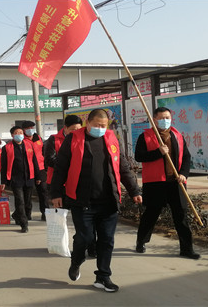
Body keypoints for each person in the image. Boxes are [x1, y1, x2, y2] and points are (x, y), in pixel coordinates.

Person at [50, 109, 142, 293]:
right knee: (85, 238)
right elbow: (60, 167)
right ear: (88, 123)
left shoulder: (112, 139)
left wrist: (134, 190)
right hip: (82, 200)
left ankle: (103, 276)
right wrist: (56, 193)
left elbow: (123, 166)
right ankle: (76, 261)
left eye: (104, 125)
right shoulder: (74, 139)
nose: (101, 129)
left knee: (107, 240)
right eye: (97, 125)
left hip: (108, 200)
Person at [135, 107, 200, 259]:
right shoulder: (145, 136)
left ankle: (187, 249)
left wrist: (184, 174)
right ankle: (141, 241)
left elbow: (186, 158)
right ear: (154, 119)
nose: (165, 120)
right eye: (162, 118)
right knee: (151, 214)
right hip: (155, 183)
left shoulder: (177, 135)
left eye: (168, 117)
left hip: (176, 182)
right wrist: (159, 152)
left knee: (181, 215)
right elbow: (139, 156)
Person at [44, 114, 100, 257]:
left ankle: (90, 246)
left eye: (78, 128)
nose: (76, 131)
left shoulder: (83, 139)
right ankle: (62, 245)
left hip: (77, 185)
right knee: (61, 216)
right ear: (65, 128)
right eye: (73, 129)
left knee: (84, 219)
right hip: (59, 183)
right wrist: (69, 163)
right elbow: (49, 159)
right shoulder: (53, 140)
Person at [1, 126, 41, 233]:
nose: (19, 134)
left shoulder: (29, 145)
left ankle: (16, 215)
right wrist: (3, 181)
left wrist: (38, 176)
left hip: (29, 177)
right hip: (15, 178)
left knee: (28, 202)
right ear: (12, 135)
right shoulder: (7, 148)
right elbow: (4, 165)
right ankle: (24, 224)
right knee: (20, 201)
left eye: (20, 132)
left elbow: (34, 161)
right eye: (16, 133)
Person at [22, 120, 48, 221]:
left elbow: (43, 152)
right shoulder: (23, 140)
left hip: (41, 168)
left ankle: (45, 213)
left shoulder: (38, 138)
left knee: (43, 192)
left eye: (32, 128)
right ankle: (27, 214)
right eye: (28, 128)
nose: (30, 130)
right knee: (28, 193)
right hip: (28, 169)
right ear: (24, 130)